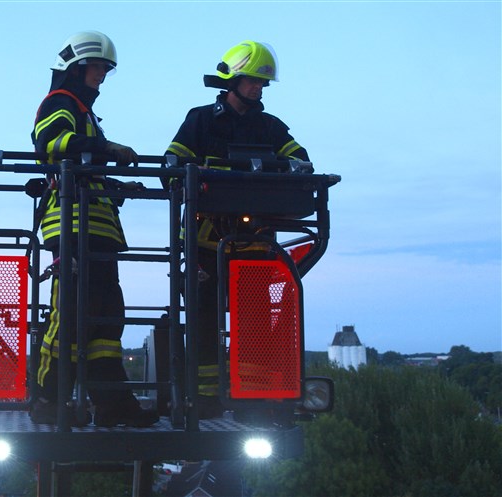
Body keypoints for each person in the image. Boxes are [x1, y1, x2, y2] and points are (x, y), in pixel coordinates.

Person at [164, 40, 310, 418]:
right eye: (253, 82)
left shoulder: (270, 127)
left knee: (256, 325)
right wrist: (190, 175)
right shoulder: (200, 120)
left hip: (255, 244)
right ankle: (204, 400)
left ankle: (253, 400)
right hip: (204, 242)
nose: (259, 89)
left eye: (263, 84)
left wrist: (290, 170)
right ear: (233, 81)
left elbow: (300, 160)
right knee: (203, 320)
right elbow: (172, 164)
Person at [29, 30, 158, 428]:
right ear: (76, 68)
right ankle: (48, 399)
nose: (101, 76)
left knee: (105, 322)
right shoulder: (60, 102)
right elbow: (50, 143)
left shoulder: (85, 114)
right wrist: (108, 148)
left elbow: (86, 169)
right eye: (96, 68)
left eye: (105, 69)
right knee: (69, 315)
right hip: (71, 227)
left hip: (97, 231)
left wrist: (117, 185)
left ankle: (113, 405)